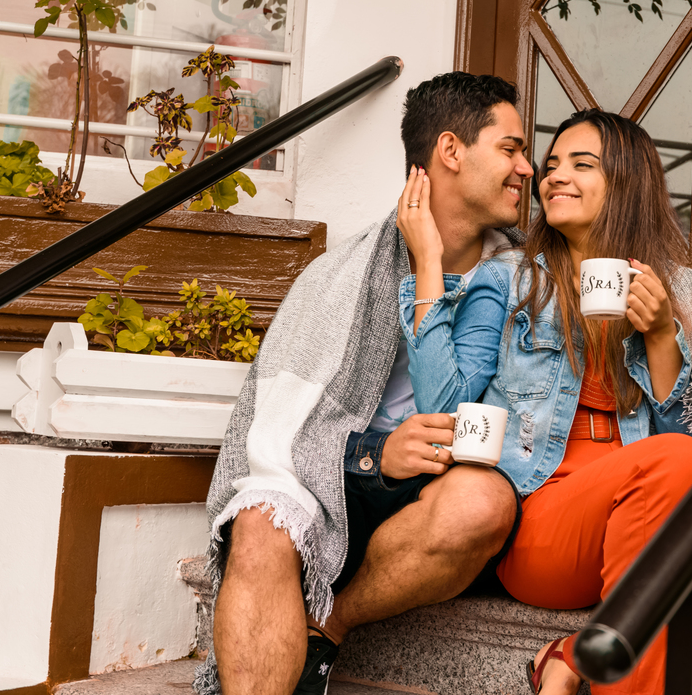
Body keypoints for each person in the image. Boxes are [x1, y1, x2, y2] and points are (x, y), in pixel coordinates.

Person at [397, 109, 692, 694]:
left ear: (626, 181)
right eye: (550, 166)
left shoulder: (682, 293)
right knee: (669, 459)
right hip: (542, 523)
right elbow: (445, 402)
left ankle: (577, 656)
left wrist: (659, 337)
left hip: (645, 525)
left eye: (582, 164)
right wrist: (428, 264)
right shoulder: (508, 280)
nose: (554, 177)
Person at [194, 72, 535, 695]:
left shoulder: (522, 282)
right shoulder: (339, 275)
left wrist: (429, 267)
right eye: (511, 148)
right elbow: (284, 438)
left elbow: (476, 417)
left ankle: (330, 622)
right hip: (345, 474)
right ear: (451, 152)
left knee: (481, 505)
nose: (528, 169)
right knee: (261, 522)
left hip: (439, 492)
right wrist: (379, 454)